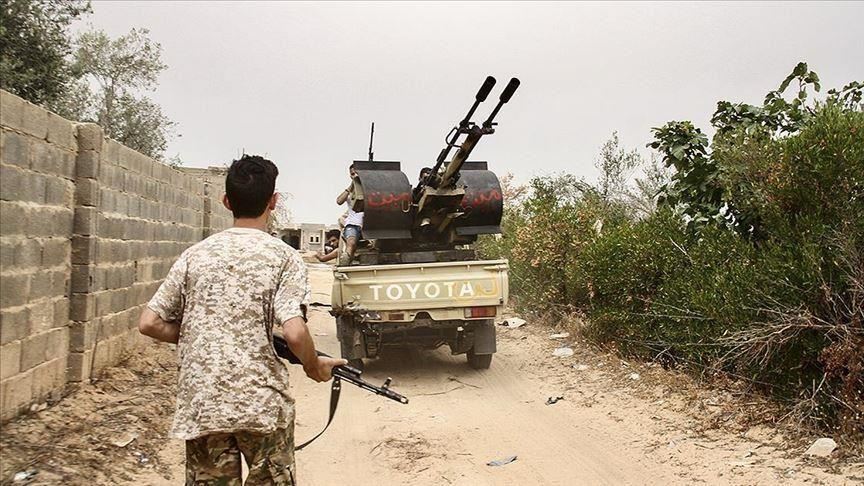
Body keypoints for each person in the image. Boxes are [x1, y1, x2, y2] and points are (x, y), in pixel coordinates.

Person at [138, 154, 346, 485]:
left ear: (226, 201)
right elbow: (295, 332)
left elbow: (149, 322)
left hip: (204, 404)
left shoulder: (194, 256)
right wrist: (312, 365)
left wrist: (197, 332)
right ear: (273, 201)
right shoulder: (284, 258)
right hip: (262, 406)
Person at [335, 163, 363, 263]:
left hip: (370, 226)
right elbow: (339, 201)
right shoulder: (350, 192)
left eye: (357, 173)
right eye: (352, 174)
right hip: (353, 225)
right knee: (351, 242)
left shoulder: (370, 189)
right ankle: (346, 261)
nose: (355, 175)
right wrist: (352, 185)